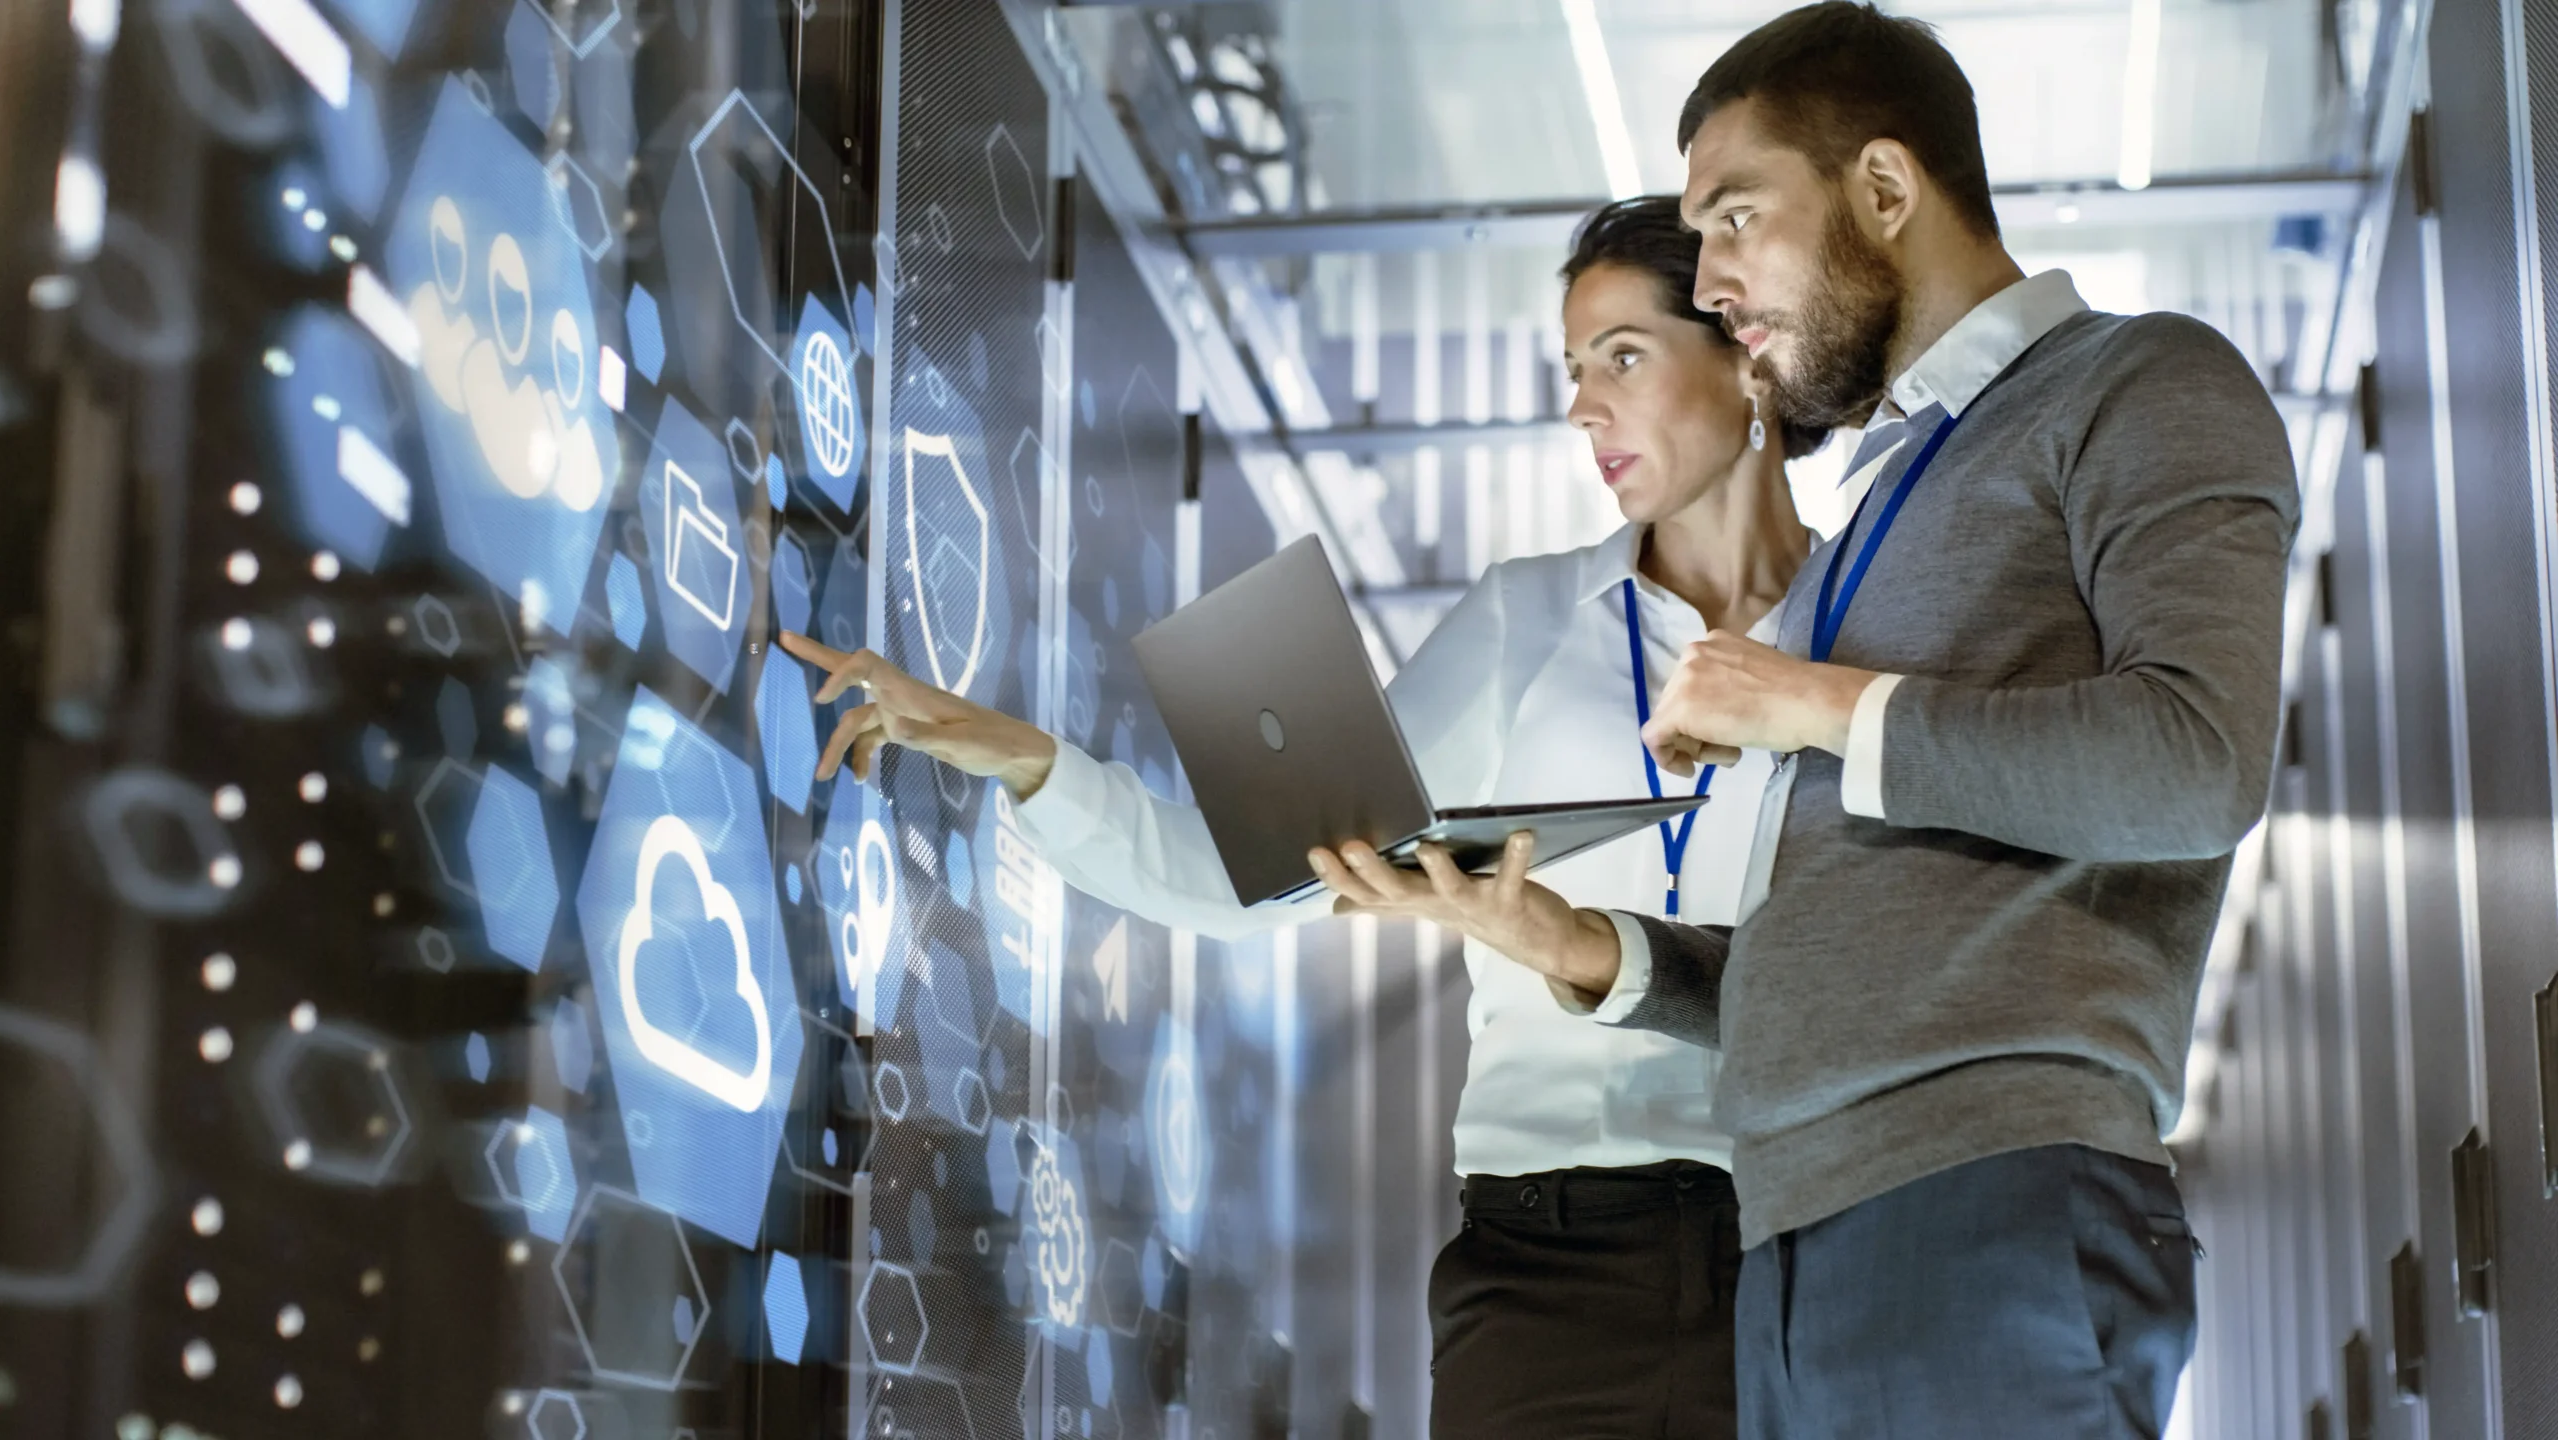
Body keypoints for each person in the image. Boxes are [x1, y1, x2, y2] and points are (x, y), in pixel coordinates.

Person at [1305, 6, 2299, 1439]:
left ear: (1884, 193)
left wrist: (1810, 701)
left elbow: (2194, 761)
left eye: (1736, 218)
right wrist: (1578, 951)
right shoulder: (1884, 508)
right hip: (1797, 1237)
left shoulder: (2141, 383)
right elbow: (1832, 941)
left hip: (1986, 1199)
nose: (1715, 279)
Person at [781, 196, 1828, 1439]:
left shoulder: (1868, 638)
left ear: (1744, 353)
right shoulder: (1524, 621)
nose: (1582, 408)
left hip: (1804, 1245)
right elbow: (1251, 880)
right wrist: (1019, 758)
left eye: (1622, 357)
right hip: (1547, 1258)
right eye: (1570, 372)